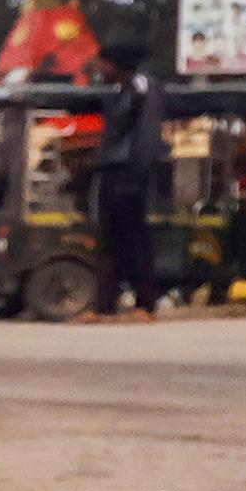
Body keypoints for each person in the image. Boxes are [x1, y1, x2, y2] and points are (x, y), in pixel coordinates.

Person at [90, 42, 171, 319]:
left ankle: (146, 304)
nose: (99, 68)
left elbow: (147, 136)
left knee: (135, 241)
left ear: (116, 64)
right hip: (113, 172)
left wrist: (139, 172)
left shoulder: (143, 89)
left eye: (103, 63)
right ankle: (104, 306)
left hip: (130, 175)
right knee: (110, 242)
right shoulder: (119, 90)